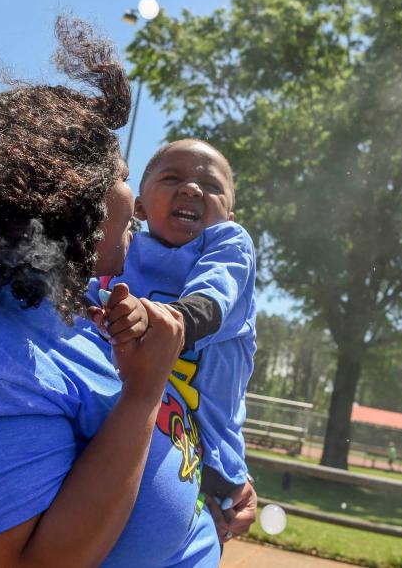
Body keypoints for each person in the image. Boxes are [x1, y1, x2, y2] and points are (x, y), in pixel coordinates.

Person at [0, 15, 255, 568]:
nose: (136, 197)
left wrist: (214, 485)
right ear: (68, 196)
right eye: (121, 175)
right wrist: (144, 393)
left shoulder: (67, 308)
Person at [94, 138, 256, 525]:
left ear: (229, 217)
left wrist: (155, 320)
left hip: (207, 454)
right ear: (139, 207)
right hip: (124, 428)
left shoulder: (230, 245)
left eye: (212, 186)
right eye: (172, 177)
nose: (192, 189)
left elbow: (210, 301)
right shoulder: (122, 252)